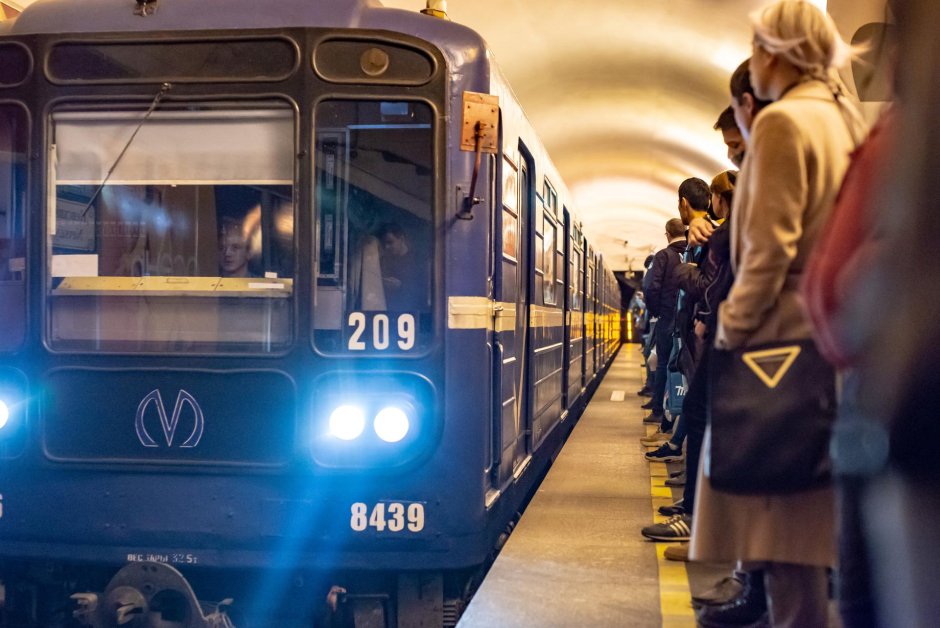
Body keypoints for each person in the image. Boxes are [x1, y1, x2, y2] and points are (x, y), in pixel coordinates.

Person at [689, 2, 868, 626]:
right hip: (828, 337)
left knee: (779, 527)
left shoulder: (784, 124)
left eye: (760, 47)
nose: (756, 59)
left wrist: (732, 331)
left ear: (782, 52)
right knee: (808, 533)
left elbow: (768, 250)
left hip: (778, 342)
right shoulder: (843, 119)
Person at [641, 219, 687, 427]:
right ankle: (674, 410)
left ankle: (659, 409)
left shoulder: (664, 256)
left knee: (662, 363)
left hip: (667, 317)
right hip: (685, 318)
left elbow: (652, 287)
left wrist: (656, 311)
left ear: (668, 234)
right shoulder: (691, 251)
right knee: (680, 365)